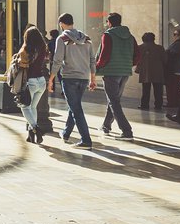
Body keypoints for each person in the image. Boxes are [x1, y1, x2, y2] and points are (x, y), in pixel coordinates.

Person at [49, 14, 97, 149]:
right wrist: (92, 78)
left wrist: (51, 79)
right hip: (83, 78)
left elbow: (57, 61)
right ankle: (66, 133)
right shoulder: (87, 39)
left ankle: (86, 140)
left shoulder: (62, 38)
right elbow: (92, 60)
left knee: (76, 108)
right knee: (74, 106)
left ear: (61, 24)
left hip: (69, 78)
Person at [95, 12, 139, 140]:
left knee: (113, 101)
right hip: (124, 72)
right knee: (114, 100)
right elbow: (137, 54)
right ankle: (106, 126)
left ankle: (127, 131)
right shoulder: (130, 36)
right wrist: (128, 64)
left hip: (110, 72)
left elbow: (104, 55)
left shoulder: (108, 35)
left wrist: (97, 66)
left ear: (109, 22)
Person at [13, 26, 49, 143]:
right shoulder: (43, 47)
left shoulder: (26, 49)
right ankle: (31, 135)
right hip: (41, 81)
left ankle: (35, 128)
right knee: (33, 107)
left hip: (30, 82)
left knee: (24, 106)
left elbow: (22, 65)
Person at [136, 32, 166, 111]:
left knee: (145, 90)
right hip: (158, 71)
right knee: (158, 90)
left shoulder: (139, 47)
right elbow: (165, 59)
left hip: (145, 71)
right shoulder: (160, 48)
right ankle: (158, 105)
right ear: (153, 39)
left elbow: (136, 59)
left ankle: (144, 104)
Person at [164, 28, 180, 113]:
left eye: (175, 34)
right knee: (177, 86)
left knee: (172, 86)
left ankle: (172, 102)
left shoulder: (178, 44)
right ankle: (176, 101)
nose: (173, 36)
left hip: (174, 68)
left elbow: (171, 54)